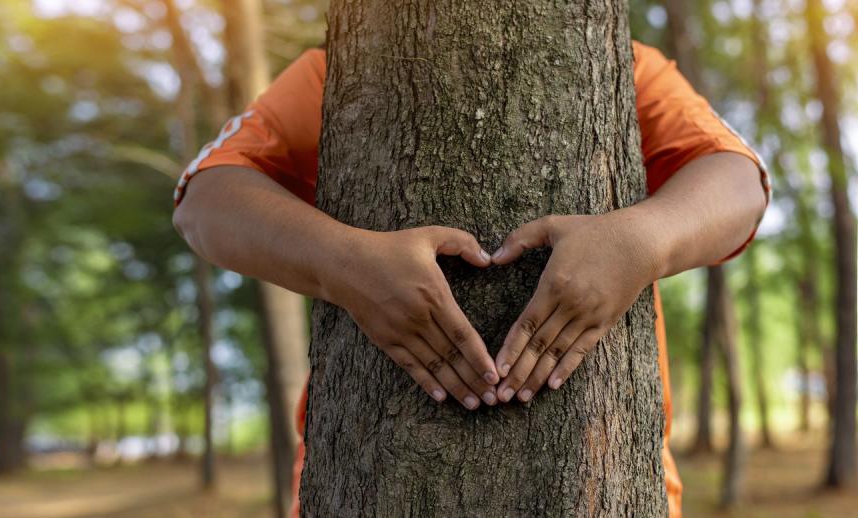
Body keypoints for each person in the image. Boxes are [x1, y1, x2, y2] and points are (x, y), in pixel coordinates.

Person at [172, 41, 770, 517]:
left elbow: (738, 182)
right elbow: (206, 198)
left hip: (606, 482)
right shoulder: (341, 71)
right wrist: (343, 262)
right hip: (365, 482)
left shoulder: (618, 60)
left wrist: (642, 241)